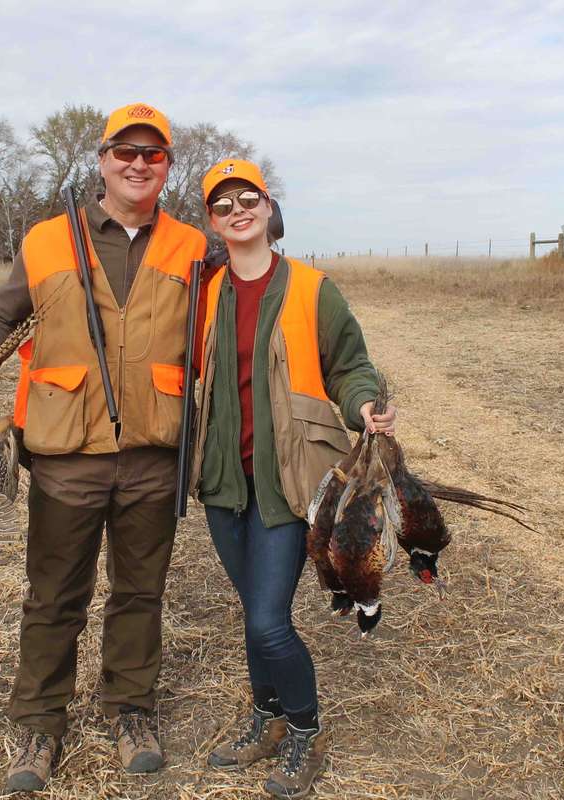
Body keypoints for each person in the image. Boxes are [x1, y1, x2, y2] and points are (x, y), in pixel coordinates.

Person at [0, 102, 207, 793]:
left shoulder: (193, 246)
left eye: (152, 154)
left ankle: (130, 710)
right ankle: (38, 722)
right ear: (101, 161)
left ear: (167, 168)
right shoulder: (44, 239)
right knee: (55, 593)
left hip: (156, 449)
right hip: (66, 451)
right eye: (125, 151)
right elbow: (4, 312)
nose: (137, 164)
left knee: (139, 593)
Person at [189, 159, 396, 799]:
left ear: (268, 207)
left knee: (267, 621)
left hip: (286, 481)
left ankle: (305, 729)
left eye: (247, 198)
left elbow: (350, 363)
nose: (236, 211)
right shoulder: (204, 294)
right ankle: (268, 718)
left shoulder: (311, 288)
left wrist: (363, 402)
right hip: (225, 480)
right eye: (222, 205)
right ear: (212, 222)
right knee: (253, 611)